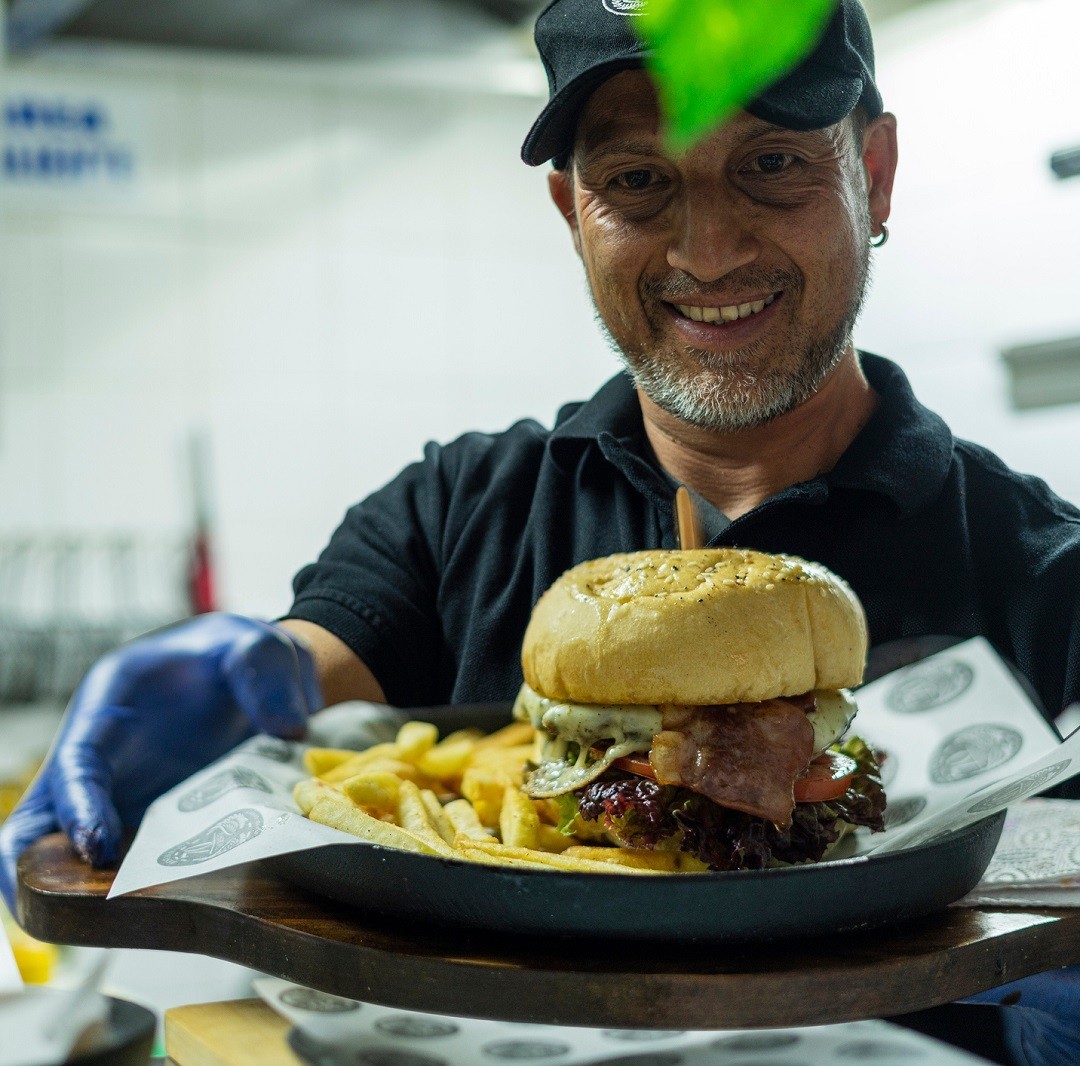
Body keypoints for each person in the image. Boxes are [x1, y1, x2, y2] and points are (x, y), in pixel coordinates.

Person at [2, 1, 1078, 1061]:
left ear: (873, 176)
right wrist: (255, 677)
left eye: (771, 164)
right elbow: (317, 676)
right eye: (638, 181)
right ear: (573, 212)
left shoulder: (1051, 575)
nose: (705, 251)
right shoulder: (455, 506)